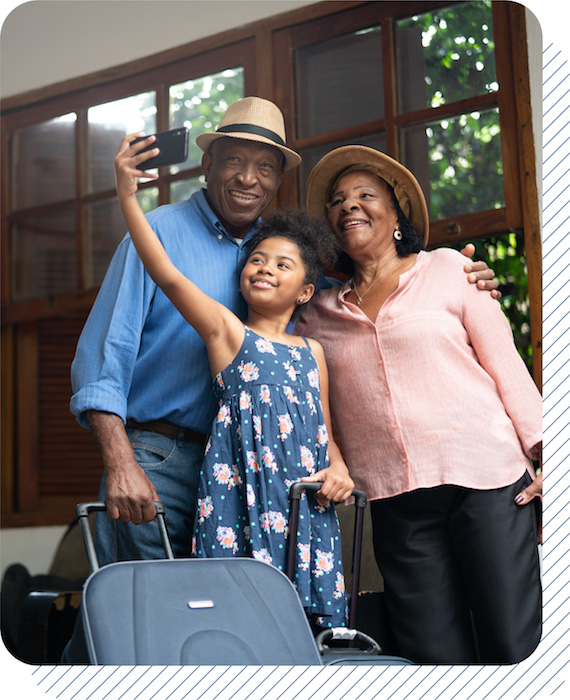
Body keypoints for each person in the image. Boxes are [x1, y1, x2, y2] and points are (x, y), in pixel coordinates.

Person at [70, 97, 499, 568]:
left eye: (265, 168)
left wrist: (453, 273)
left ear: (278, 180)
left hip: (250, 471)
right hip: (160, 457)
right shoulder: (156, 237)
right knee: (138, 610)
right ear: (208, 164)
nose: (248, 178)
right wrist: (120, 461)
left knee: (227, 615)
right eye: (233, 160)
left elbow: (371, 284)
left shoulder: (284, 255)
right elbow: (101, 360)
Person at [295, 144, 542, 664]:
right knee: (431, 655)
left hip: (488, 479)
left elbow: (506, 366)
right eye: (338, 201)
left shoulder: (451, 269)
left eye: (366, 195)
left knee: (511, 641)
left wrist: (549, 452)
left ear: (396, 212)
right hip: (394, 498)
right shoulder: (316, 311)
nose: (349, 207)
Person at [115, 135, 353, 627]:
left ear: (307, 290)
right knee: (231, 621)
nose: (265, 268)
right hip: (239, 502)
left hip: (301, 511)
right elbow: (166, 273)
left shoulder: (313, 352)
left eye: (283, 265)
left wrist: (340, 471)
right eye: (258, 261)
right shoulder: (227, 331)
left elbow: (325, 434)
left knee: (304, 629)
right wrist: (125, 196)